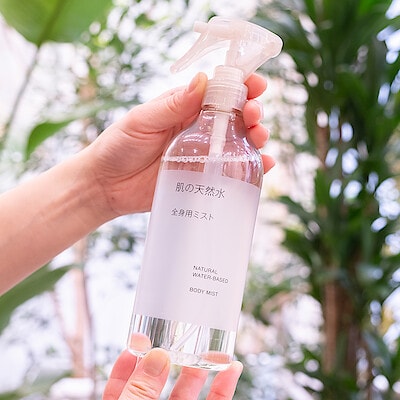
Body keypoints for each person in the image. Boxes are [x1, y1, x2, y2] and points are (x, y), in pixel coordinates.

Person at [0, 72, 274, 399]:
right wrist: (99, 187)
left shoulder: (242, 156)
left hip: (212, 329)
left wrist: (98, 189)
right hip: (153, 327)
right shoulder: (185, 144)